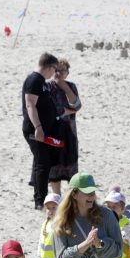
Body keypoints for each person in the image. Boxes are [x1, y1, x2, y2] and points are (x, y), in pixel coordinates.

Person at [22, 52, 62, 209]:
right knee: (42, 163)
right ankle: (40, 201)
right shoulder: (34, 80)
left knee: (42, 162)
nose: (55, 73)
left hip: (43, 130)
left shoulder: (41, 81)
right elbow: (30, 105)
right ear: (49, 67)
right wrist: (38, 128)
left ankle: (40, 198)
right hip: (34, 129)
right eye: (55, 69)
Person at [45, 58, 82, 193]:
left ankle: (71, 200)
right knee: (54, 167)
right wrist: (67, 111)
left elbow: (77, 105)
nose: (59, 73)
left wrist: (64, 86)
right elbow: (52, 109)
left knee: (71, 165)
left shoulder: (71, 86)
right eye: (57, 70)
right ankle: (56, 196)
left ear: (67, 73)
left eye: (63, 70)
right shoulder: (47, 86)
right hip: (53, 132)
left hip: (69, 132)